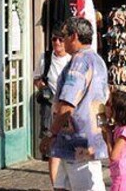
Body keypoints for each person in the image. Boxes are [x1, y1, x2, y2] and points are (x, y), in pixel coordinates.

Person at [41, 17, 109, 191]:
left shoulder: (79, 61)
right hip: (87, 136)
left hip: (77, 139)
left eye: (64, 35)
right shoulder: (97, 59)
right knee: (62, 185)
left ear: (74, 36)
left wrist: (52, 134)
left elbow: (67, 104)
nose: (61, 40)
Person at [33, 29, 72, 187]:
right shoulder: (45, 58)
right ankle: (56, 185)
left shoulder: (72, 60)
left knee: (68, 144)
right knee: (53, 147)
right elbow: (37, 78)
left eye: (60, 40)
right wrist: (43, 88)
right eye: (54, 40)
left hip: (68, 107)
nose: (57, 43)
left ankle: (67, 182)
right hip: (50, 106)